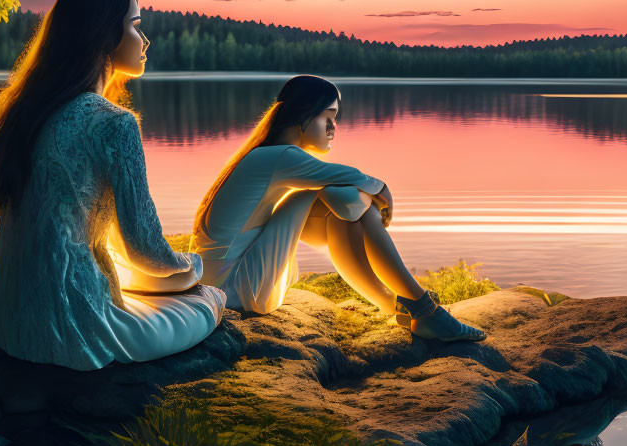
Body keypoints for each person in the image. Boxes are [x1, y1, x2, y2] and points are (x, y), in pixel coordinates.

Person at [0, 0, 225, 370]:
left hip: (11, 323)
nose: (144, 42)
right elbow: (144, 250)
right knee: (209, 299)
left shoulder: (25, 112)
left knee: (149, 281)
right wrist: (193, 265)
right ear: (103, 33)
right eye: (136, 25)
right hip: (78, 327)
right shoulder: (113, 123)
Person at [193, 75, 485, 342]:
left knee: (339, 210)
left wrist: (369, 197)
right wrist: (382, 191)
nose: (334, 128)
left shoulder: (266, 155)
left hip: (226, 281)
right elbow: (349, 180)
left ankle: (396, 304)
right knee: (335, 196)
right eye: (327, 117)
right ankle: (423, 309)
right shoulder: (281, 155)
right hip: (233, 289)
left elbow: (346, 190)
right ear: (303, 116)